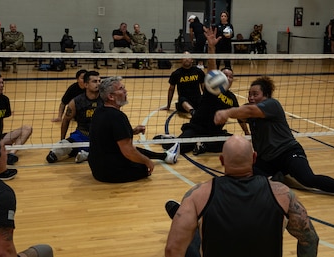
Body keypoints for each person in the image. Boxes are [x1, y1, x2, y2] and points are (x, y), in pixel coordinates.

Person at [214, 76, 334, 206]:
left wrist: (226, 113)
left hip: (287, 152)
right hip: (266, 158)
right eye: (249, 94)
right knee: (243, 171)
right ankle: (274, 178)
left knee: (308, 179)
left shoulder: (272, 105)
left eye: (255, 94)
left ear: (266, 95)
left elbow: (247, 111)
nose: (251, 97)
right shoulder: (250, 109)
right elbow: (239, 111)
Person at [164, 135, 319, 257]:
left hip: (199, 211)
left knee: (193, 237)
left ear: (222, 160)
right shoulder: (283, 194)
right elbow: (310, 240)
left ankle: (183, 215)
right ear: (254, 158)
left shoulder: (197, 195)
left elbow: (172, 250)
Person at [159, 27, 249, 155]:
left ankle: (204, 145)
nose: (228, 78)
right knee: (179, 148)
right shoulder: (212, 88)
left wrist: (247, 133)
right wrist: (211, 48)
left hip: (214, 133)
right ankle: (169, 139)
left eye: (231, 76)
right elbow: (212, 70)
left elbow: (240, 118)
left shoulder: (231, 98)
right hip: (197, 128)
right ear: (219, 77)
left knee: (234, 142)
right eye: (225, 75)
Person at [88, 76, 180, 183]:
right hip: (110, 173)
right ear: (111, 96)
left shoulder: (99, 111)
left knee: (132, 149)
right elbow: (128, 152)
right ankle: (165, 157)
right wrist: (148, 162)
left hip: (96, 169)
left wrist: (132, 131)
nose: (125, 91)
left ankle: (165, 156)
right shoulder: (118, 116)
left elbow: (109, 136)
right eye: (121, 89)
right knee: (143, 166)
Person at [46, 71, 103, 163]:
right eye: (94, 81)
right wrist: (62, 139)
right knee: (52, 156)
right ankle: (80, 151)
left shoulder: (106, 99)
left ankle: (86, 154)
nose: (98, 84)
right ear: (86, 84)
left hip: (100, 136)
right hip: (81, 135)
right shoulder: (76, 101)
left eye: (99, 81)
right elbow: (66, 120)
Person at [162, 52, 205, 116]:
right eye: (184, 57)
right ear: (181, 60)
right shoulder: (176, 73)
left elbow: (204, 88)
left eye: (188, 57)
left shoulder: (198, 71)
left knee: (204, 99)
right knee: (182, 100)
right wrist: (168, 105)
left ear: (192, 60)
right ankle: (192, 112)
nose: (186, 59)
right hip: (184, 102)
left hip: (197, 99)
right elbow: (171, 90)